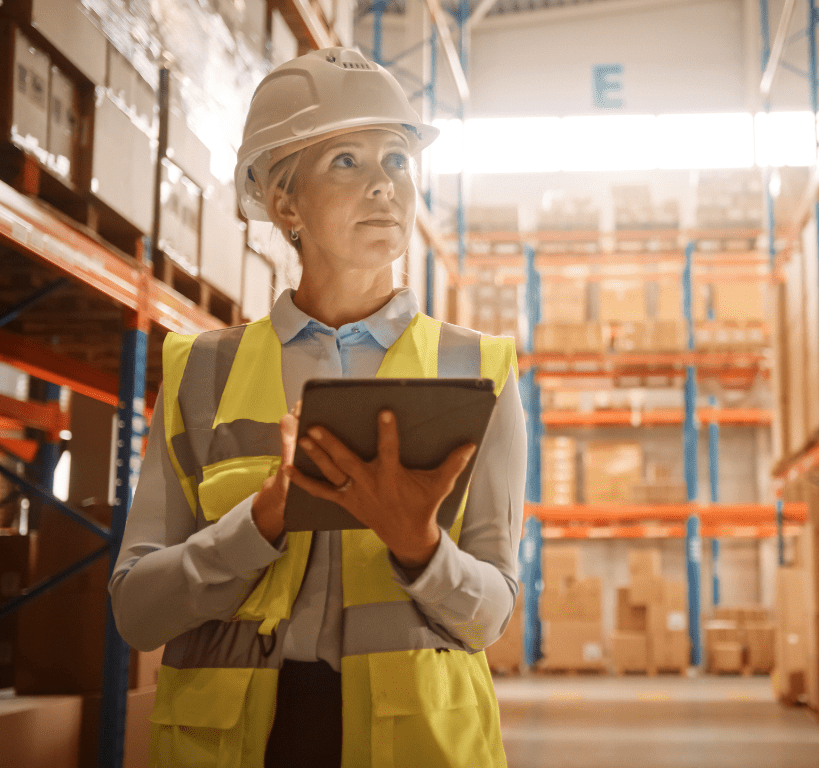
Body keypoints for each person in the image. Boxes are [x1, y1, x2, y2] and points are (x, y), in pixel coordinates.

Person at [108, 46, 526, 768]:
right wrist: (259, 523)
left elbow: (491, 616)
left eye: (397, 160)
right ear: (284, 202)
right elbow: (136, 612)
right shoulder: (202, 371)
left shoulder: (477, 367)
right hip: (241, 746)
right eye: (346, 161)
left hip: (411, 744)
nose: (383, 186)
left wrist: (419, 546)